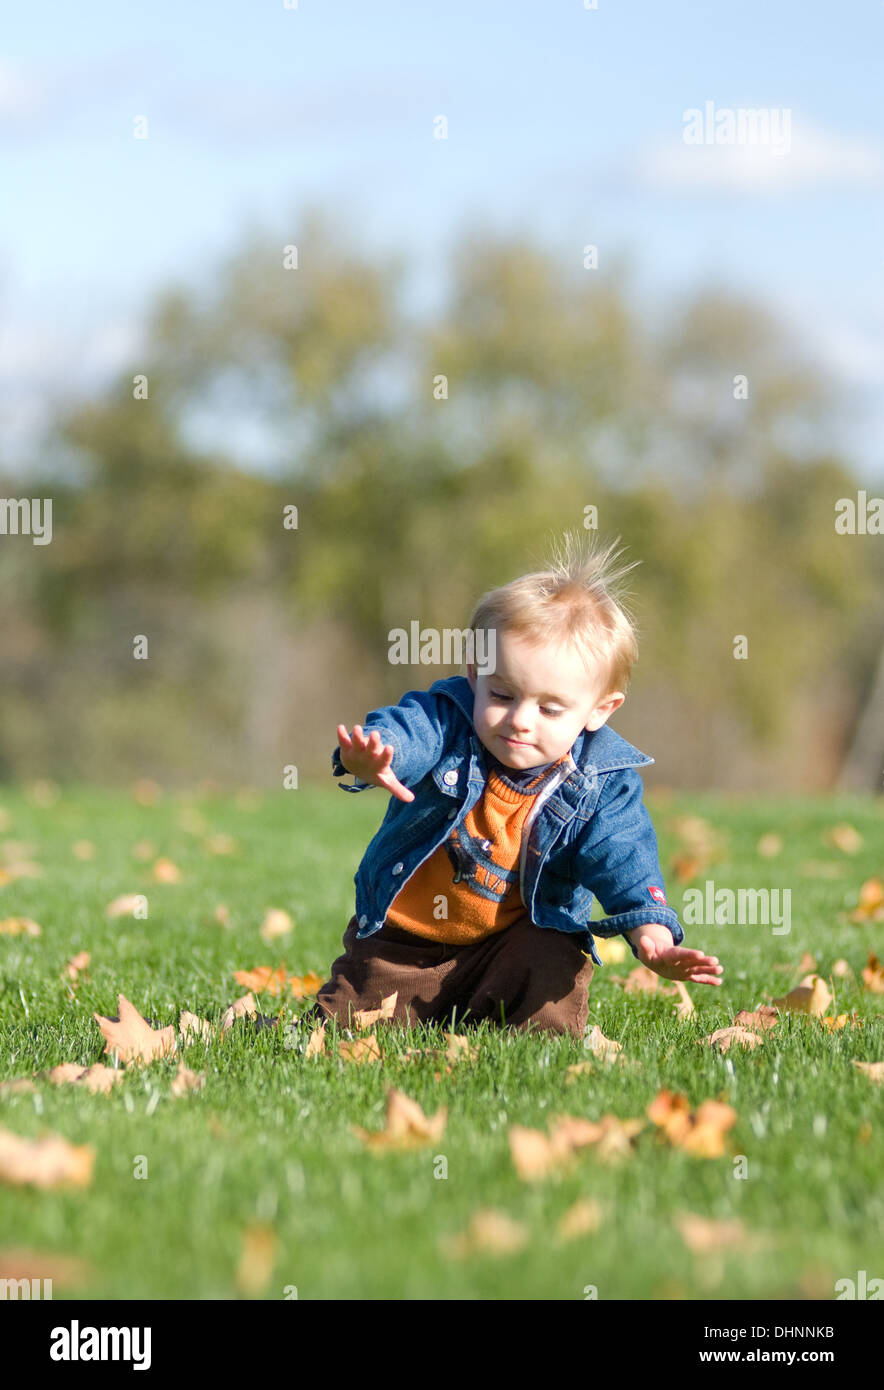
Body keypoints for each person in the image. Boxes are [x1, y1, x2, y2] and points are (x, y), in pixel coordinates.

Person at [305, 532, 722, 1041]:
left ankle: (533, 1040)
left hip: (508, 947)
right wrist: (371, 754)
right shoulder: (449, 720)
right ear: (474, 674)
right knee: (342, 1027)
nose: (520, 720)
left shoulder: (601, 783)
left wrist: (652, 935)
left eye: (550, 708)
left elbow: (624, 856)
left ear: (600, 710)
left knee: (551, 957)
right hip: (404, 946)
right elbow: (408, 732)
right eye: (502, 693)